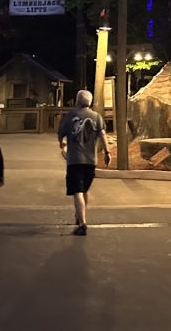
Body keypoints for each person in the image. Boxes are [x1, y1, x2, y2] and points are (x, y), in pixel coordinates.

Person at [57, 89, 111, 236]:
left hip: (75, 160)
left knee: (78, 192)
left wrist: (63, 144)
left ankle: (82, 224)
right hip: (91, 161)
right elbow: (102, 134)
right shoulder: (97, 117)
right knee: (84, 190)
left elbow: (61, 136)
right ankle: (80, 217)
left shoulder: (70, 116)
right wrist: (107, 152)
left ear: (77, 101)